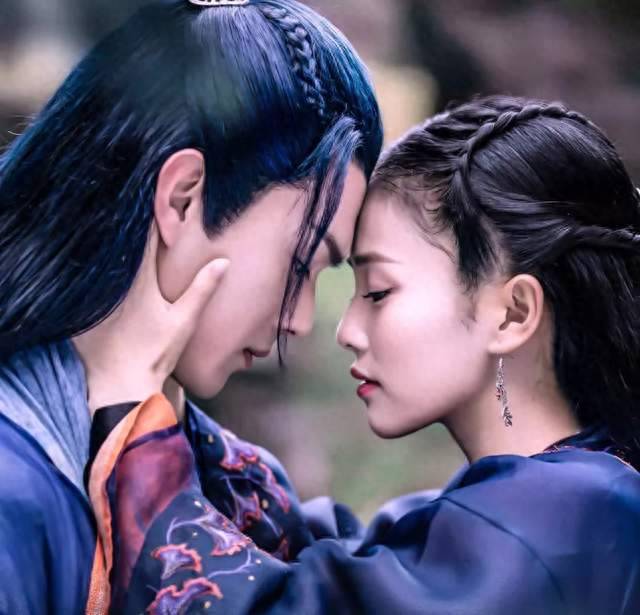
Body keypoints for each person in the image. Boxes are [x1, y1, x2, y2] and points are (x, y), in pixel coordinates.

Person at [92, 96, 640, 614]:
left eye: (378, 291)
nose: (346, 330)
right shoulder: (556, 508)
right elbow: (308, 557)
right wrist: (169, 395)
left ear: (513, 314)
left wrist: (129, 404)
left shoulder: (569, 517)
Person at [0, 1, 382, 612]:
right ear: (182, 199)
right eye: (300, 264)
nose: (302, 319)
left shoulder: (242, 487)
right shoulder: (13, 496)